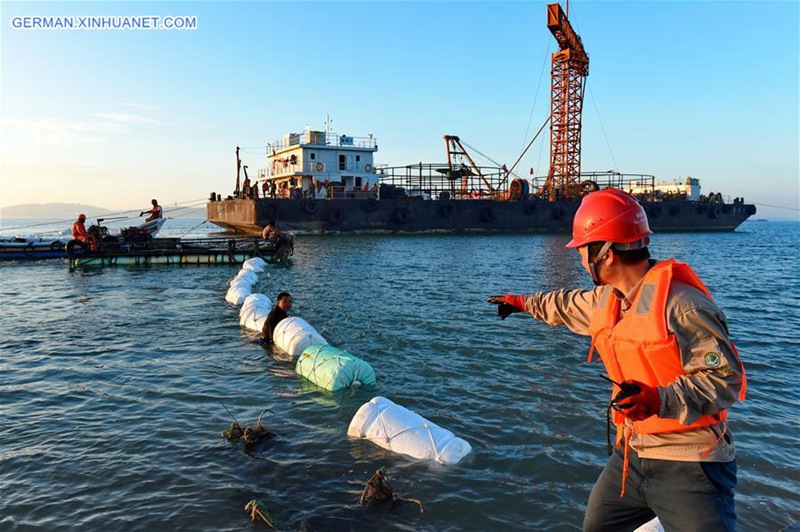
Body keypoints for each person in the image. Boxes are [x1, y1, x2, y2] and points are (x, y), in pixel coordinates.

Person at [487, 189, 746, 531]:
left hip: (690, 462)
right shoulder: (609, 299)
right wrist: (523, 302)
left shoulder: (683, 306)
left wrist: (658, 399)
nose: (580, 259)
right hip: (633, 455)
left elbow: (724, 379)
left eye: (583, 250)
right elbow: (565, 304)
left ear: (605, 253)